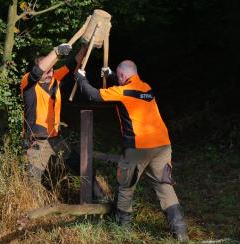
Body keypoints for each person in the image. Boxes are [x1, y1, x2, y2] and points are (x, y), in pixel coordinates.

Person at [74, 60, 189, 241]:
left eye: (118, 77)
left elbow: (93, 95)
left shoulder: (122, 92)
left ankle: (123, 231)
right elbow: (129, 88)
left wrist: (81, 79)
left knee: (126, 186)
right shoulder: (146, 88)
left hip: (138, 148)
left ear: (122, 76)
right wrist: (111, 75)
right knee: (165, 186)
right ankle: (180, 231)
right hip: (162, 145)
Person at [21, 42, 87, 182]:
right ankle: (31, 203)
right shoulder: (28, 82)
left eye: (51, 70)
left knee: (80, 165)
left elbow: (73, 63)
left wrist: (85, 47)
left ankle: (96, 197)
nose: (49, 73)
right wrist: (56, 52)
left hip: (55, 138)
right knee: (31, 181)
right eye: (47, 70)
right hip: (37, 141)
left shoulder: (55, 78)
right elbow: (38, 71)